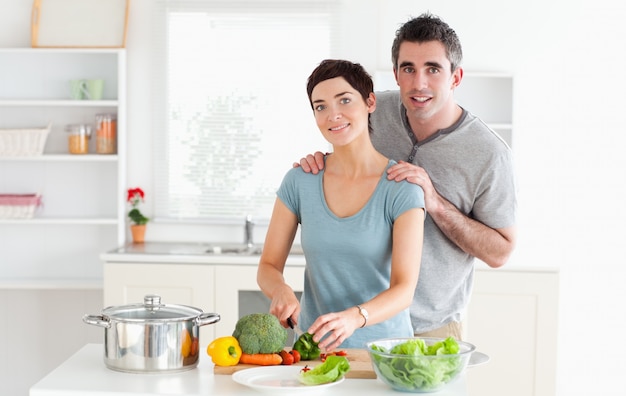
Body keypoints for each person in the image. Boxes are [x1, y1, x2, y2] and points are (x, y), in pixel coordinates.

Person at [297, 13, 517, 340]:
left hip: (432, 328)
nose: (419, 84)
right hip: (359, 325)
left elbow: (500, 252)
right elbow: (340, 146)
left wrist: (436, 203)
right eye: (408, 69)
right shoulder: (372, 110)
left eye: (433, 69)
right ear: (396, 74)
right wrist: (322, 162)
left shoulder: (489, 154)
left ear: (456, 77)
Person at [257, 59, 426, 351]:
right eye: (320, 106)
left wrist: (355, 318)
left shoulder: (401, 187)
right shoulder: (300, 181)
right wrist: (280, 290)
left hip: (385, 353)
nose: (333, 115)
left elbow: (404, 290)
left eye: (344, 100)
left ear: (370, 102)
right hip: (315, 349)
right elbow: (268, 266)